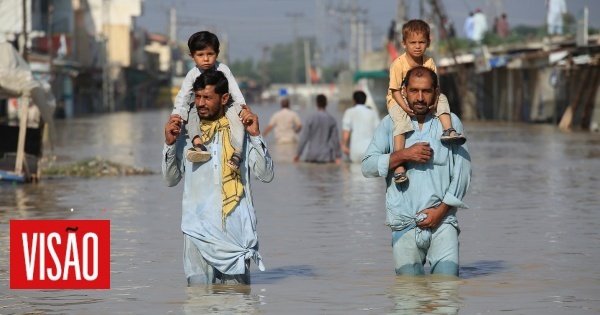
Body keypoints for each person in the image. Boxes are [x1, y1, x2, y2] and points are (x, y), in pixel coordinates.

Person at [162, 70, 274, 285]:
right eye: (197, 97)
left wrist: (256, 136)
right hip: (197, 233)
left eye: (207, 97)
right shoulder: (184, 134)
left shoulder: (240, 134)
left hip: (236, 234)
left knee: (238, 302)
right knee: (198, 302)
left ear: (224, 98)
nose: (200, 103)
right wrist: (168, 145)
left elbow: (266, 175)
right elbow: (170, 180)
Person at [362, 66, 472, 277]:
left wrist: (439, 212)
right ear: (404, 91)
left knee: (447, 294)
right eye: (414, 91)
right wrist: (404, 155)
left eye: (426, 91)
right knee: (408, 298)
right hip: (404, 224)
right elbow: (367, 166)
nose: (420, 97)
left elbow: (463, 174)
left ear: (436, 92)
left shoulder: (450, 123)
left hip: (443, 223)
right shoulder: (390, 124)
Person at [386, 19, 466, 183]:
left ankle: (448, 130)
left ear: (428, 43)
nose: (417, 46)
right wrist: (405, 108)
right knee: (400, 123)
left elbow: (435, 88)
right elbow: (394, 91)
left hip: (423, 103)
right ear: (404, 43)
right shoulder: (398, 65)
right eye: (412, 42)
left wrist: (434, 104)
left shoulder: (429, 62)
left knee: (443, 99)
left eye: (421, 42)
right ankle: (399, 164)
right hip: (399, 101)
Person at [173, 31, 246, 170]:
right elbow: (183, 97)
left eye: (210, 54)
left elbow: (236, 93)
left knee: (238, 118)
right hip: (196, 108)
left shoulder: (223, 70)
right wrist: (176, 116)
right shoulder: (191, 75)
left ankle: (237, 153)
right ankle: (198, 144)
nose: (206, 59)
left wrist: (242, 109)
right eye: (200, 55)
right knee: (190, 112)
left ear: (217, 54)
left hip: (226, 104)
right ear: (192, 56)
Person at [294, 94, 342, 164]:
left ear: (317, 104)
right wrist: (338, 156)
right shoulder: (331, 119)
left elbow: (304, 138)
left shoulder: (310, 119)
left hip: (311, 155)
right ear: (326, 104)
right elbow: (335, 140)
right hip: (326, 156)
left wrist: (298, 154)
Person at [341, 91, 380, 163]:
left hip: (355, 150)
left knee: (354, 171)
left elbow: (346, 131)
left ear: (354, 101)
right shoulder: (373, 113)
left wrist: (344, 145)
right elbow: (379, 132)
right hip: (370, 150)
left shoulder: (349, 112)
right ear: (365, 100)